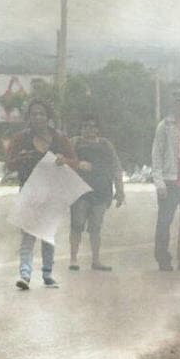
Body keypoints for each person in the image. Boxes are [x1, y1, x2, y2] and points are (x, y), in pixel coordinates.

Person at [5, 99, 78, 290]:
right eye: (34, 113)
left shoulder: (60, 139)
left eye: (41, 114)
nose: (37, 117)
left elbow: (74, 162)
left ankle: (47, 274)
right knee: (28, 235)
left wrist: (64, 160)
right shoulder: (20, 139)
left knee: (47, 235)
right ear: (28, 117)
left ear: (48, 117)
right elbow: (9, 163)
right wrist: (19, 159)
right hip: (29, 192)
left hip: (53, 193)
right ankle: (25, 275)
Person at [151, 87, 180, 273]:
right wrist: (159, 182)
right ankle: (163, 258)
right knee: (164, 222)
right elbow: (156, 154)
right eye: (179, 102)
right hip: (171, 181)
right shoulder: (165, 126)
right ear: (174, 104)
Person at [69, 114, 124, 272]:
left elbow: (116, 167)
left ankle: (96, 260)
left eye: (92, 126)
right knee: (77, 224)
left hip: (101, 192)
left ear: (98, 129)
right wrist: (78, 164)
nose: (89, 129)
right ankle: (73, 258)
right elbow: (63, 161)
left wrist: (120, 190)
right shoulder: (74, 143)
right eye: (85, 126)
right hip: (79, 192)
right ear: (81, 128)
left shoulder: (106, 145)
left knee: (96, 227)